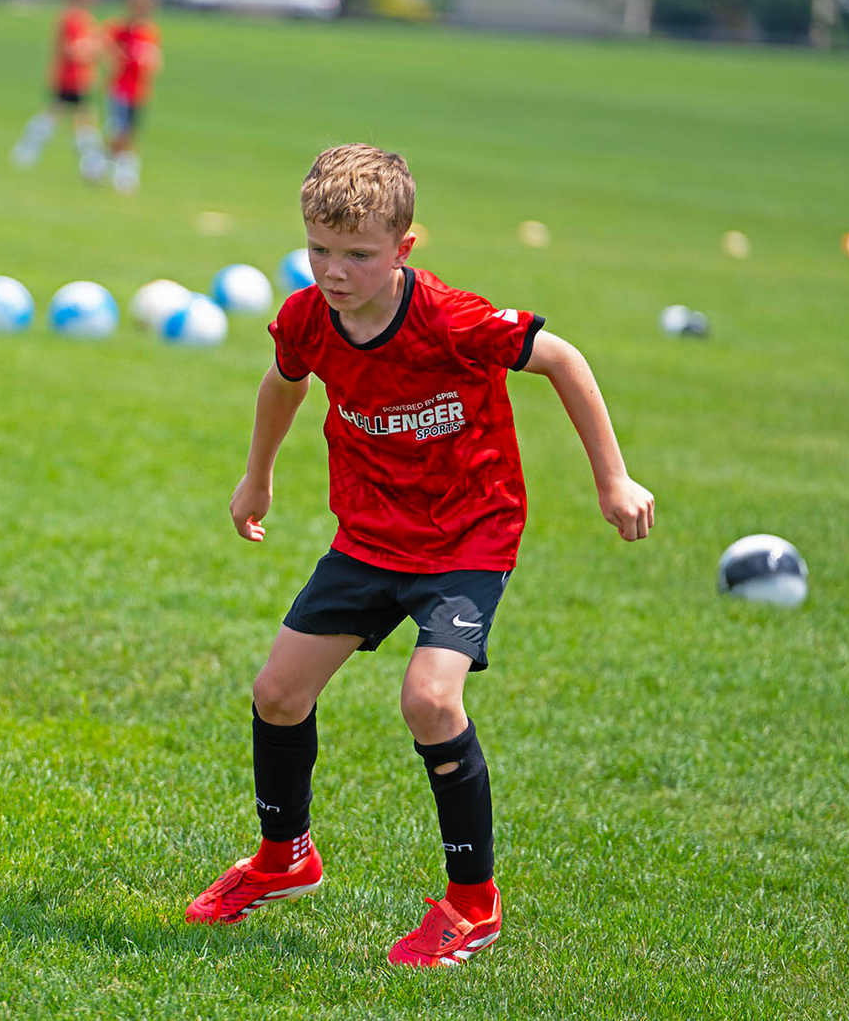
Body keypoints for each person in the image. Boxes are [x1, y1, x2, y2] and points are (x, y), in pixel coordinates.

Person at [184, 144, 655, 968]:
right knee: (278, 692)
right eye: (319, 250)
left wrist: (612, 478)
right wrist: (255, 477)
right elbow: (282, 382)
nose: (334, 271)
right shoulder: (305, 317)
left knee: (430, 701)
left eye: (358, 255)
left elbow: (562, 359)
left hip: (468, 537)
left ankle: (472, 905)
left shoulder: (452, 318)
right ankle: (284, 857)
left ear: (404, 247)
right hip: (368, 537)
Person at [10, 0, 104, 173]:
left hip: (78, 77)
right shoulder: (72, 18)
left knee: (67, 116)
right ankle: (90, 163)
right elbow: (72, 49)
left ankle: (28, 151)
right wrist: (94, 47)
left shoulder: (82, 18)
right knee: (75, 118)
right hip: (71, 77)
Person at [90, 0, 161, 194]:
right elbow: (101, 41)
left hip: (140, 90)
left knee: (129, 133)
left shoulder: (149, 32)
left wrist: (149, 60)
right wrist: (114, 56)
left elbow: (154, 60)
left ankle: (99, 165)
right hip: (121, 88)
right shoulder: (121, 29)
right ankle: (123, 174)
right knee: (120, 131)